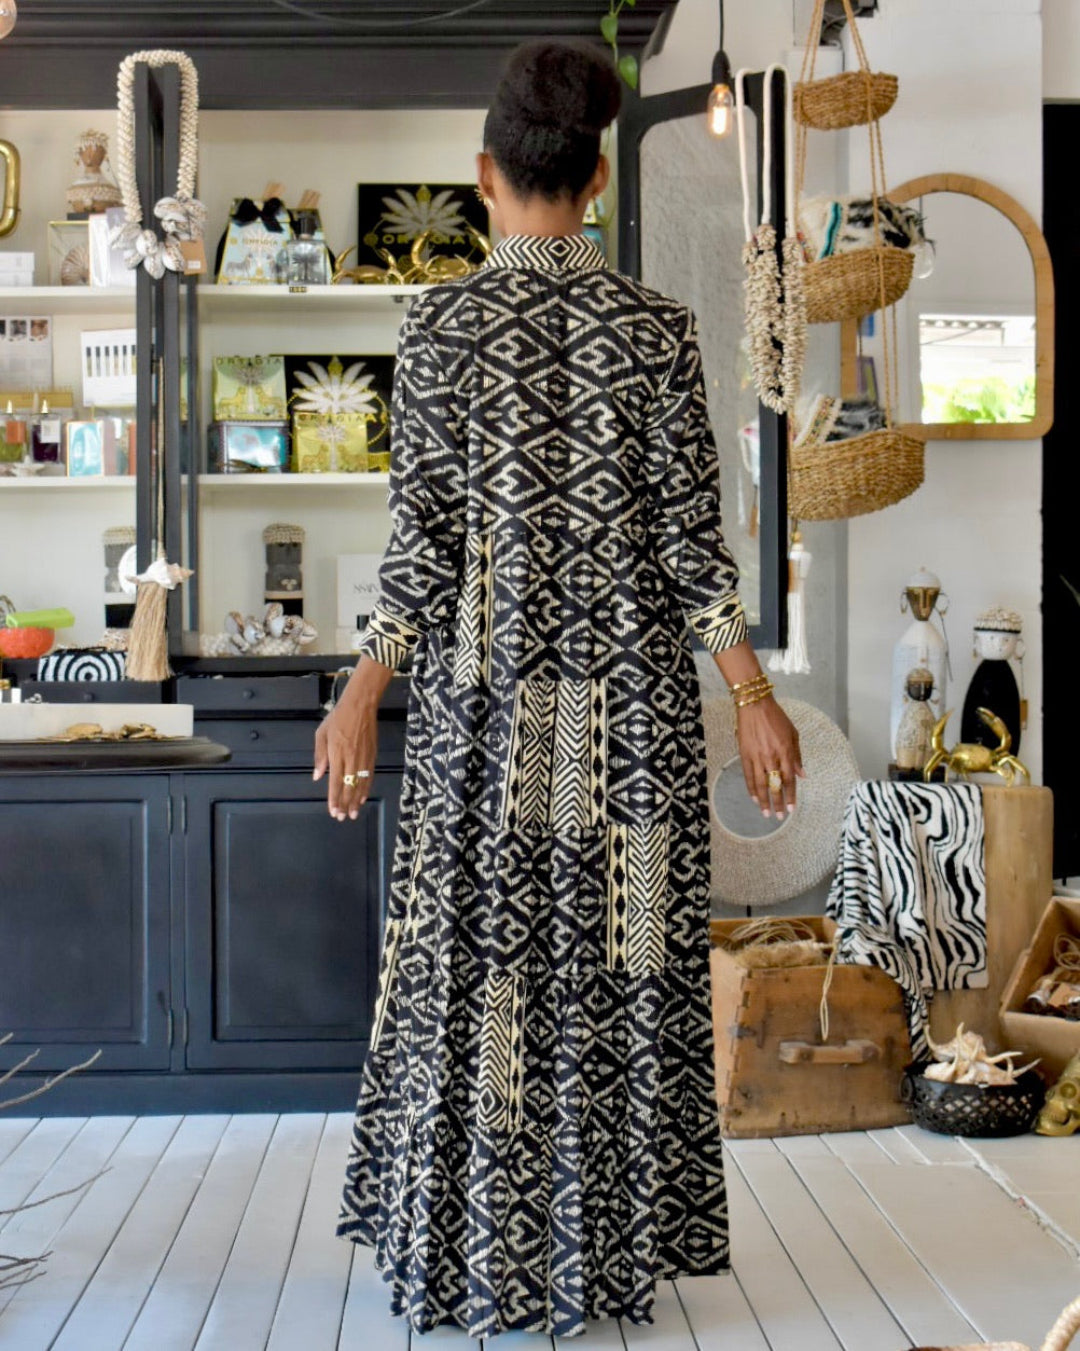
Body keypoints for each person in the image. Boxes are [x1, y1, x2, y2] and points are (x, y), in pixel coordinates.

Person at [319, 37, 803, 1338]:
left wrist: (361, 689)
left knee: (483, 973)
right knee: (619, 971)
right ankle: (606, 1248)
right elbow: (694, 549)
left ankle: (480, 1249)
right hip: (628, 726)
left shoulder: (436, 328)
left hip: (484, 723)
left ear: (484, 175)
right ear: (597, 180)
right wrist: (752, 695)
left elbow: (420, 549)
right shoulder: (656, 331)